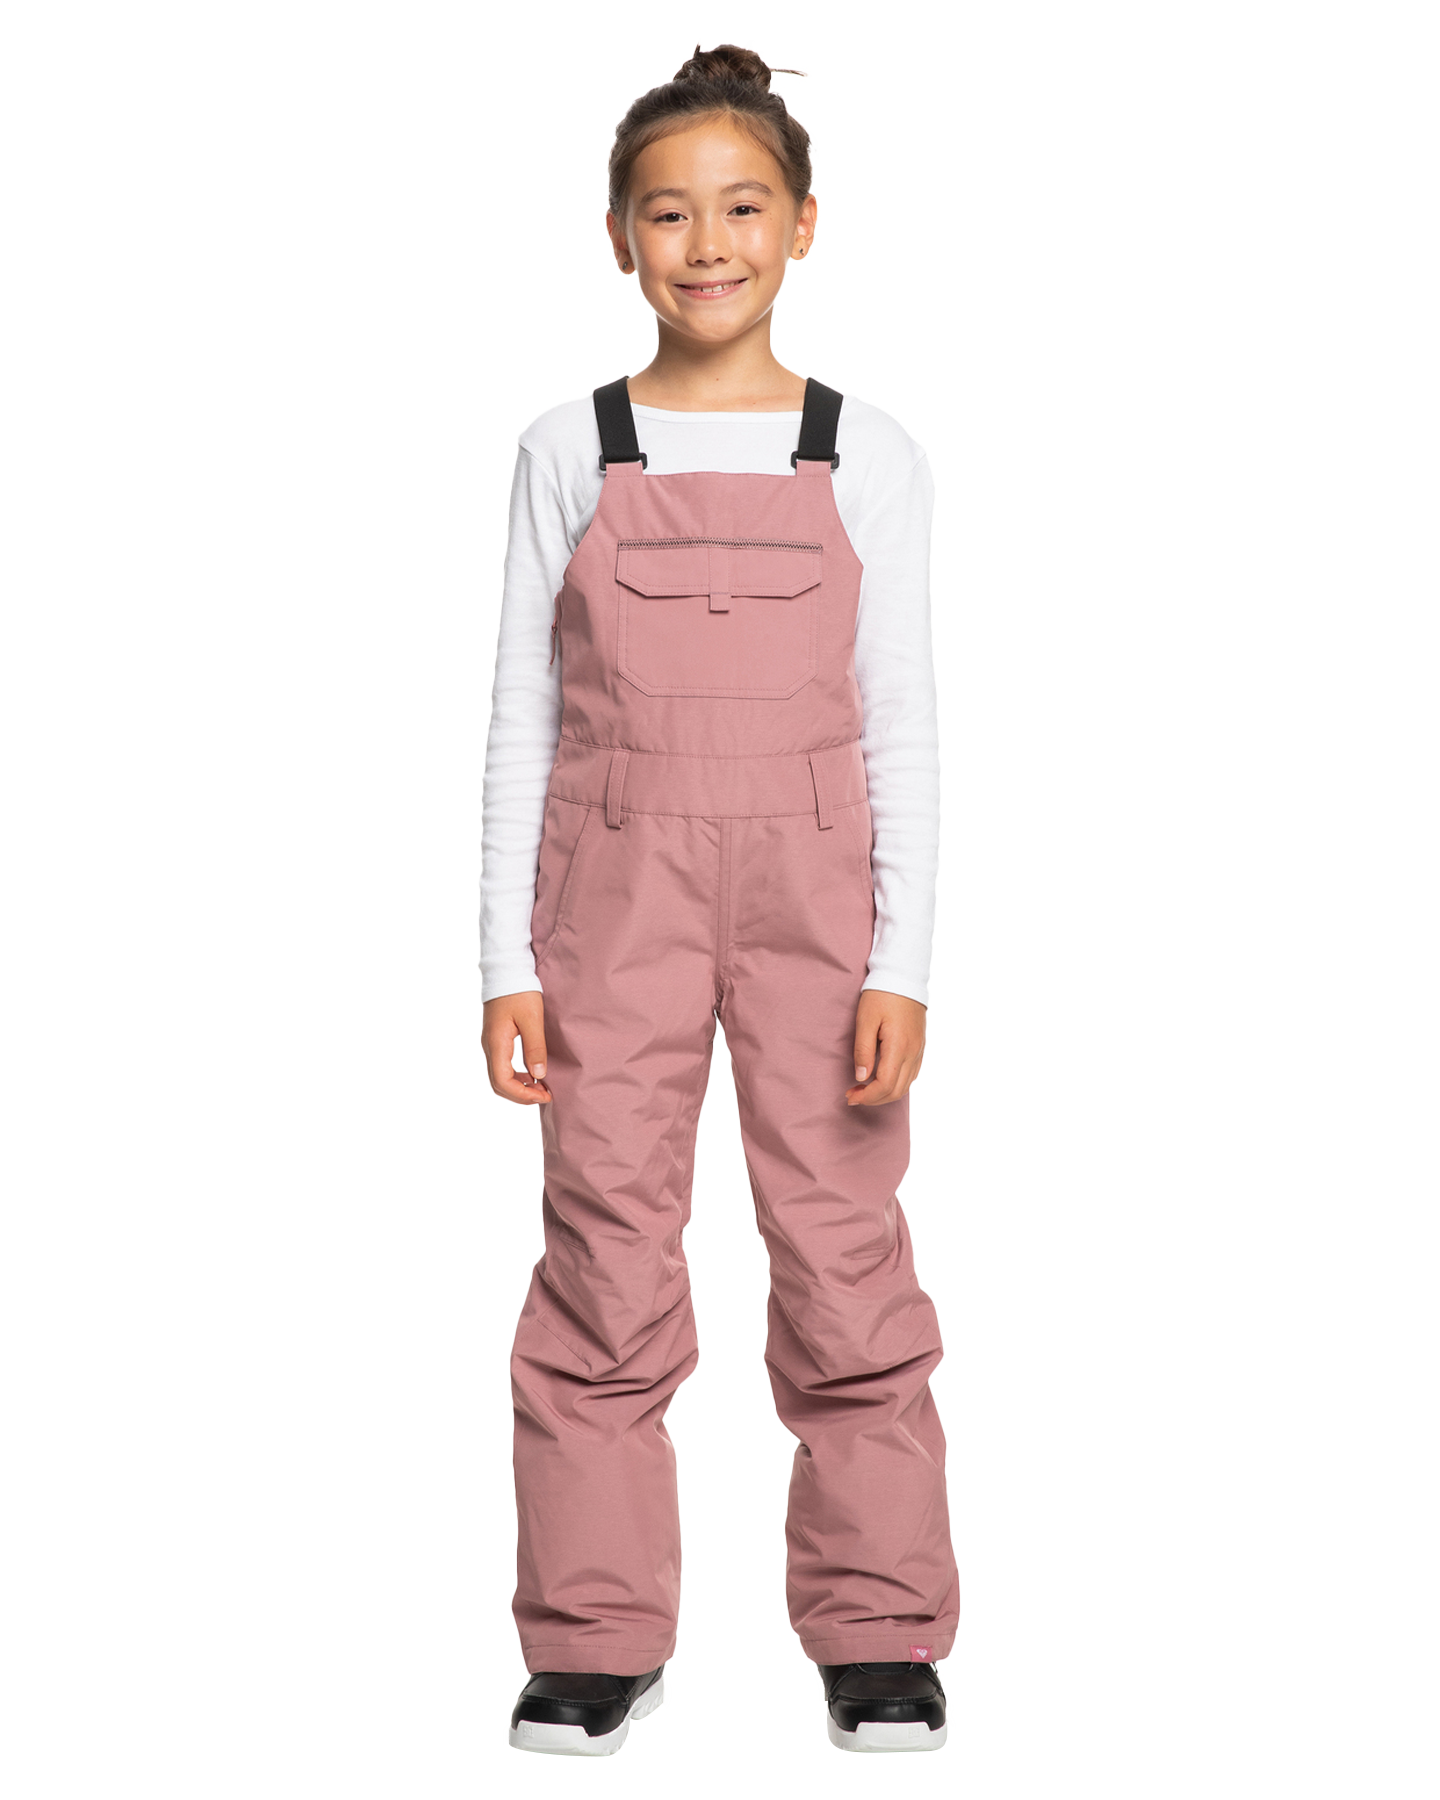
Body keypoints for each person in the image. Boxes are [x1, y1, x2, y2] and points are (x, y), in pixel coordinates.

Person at [479, 43, 960, 1756]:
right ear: (618, 235)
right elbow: (522, 715)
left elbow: (901, 715)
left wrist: (904, 960)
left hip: (819, 906)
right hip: (610, 897)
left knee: (842, 1252)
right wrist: (502, 960)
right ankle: (594, 1636)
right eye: (668, 212)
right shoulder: (568, 447)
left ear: (804, 224)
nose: (707, 244)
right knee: (605, 1249)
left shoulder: (866, 451)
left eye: (743, 207)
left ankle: (881, 1633)